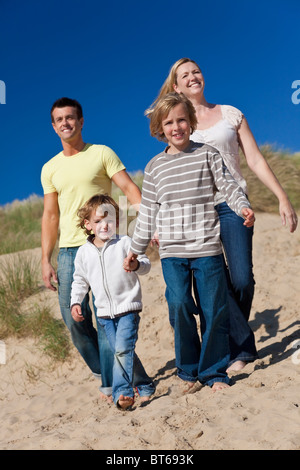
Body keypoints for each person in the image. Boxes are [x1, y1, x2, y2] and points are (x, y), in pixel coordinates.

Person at [147, 58, 298, 372]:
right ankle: (240, 350)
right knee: (211, 282)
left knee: (241, 278)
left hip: (233, 205)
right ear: (175, 86)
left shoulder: (230, 114)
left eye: (196, 71)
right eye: (184, 75)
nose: (193, 77)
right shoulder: (176, 122)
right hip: (194, 213)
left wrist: (282, 197)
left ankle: (224, 338)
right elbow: (166, 173)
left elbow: (254, 159)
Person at [124, 92, 255, 392]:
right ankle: (187, 367)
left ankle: (213, 372)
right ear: (159, 128)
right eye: (168, 122)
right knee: (180, 305)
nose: (176, 127)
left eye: (182, 119)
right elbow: (147, 215)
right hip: (172, 253)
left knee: (213, 309)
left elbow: (228, 187)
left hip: (207, 248)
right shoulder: (154, 167)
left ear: (191, 121)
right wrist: (135, 251)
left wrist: (242, 207)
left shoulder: (207, 154)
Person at [41, 97, 141, 399]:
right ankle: (106, 371)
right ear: (54, 126)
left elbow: (129, 189)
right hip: (71, 252)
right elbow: (50, 215)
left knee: (108, 317)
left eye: (70, 118)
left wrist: (149, 226)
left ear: (81, 122)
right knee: (75, 320)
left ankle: (119, 381)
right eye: (59, 120)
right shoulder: (50, 168)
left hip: (105, 245)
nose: (65, 123)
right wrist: (46, 258)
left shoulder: (101, 153)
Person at [70, 194, 155, 409]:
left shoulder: (125, 243)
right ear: (88, 225)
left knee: (122, 350)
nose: (104, 225)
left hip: (128, 308)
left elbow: (145, 264)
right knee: (124, 351)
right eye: (98, 221)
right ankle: (144, 385)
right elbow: (79, 281)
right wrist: (75, 302)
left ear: (116, 221)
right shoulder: (83, 253)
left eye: (108, 220)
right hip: (104, 314)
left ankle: (122, 393)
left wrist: (136, 265)